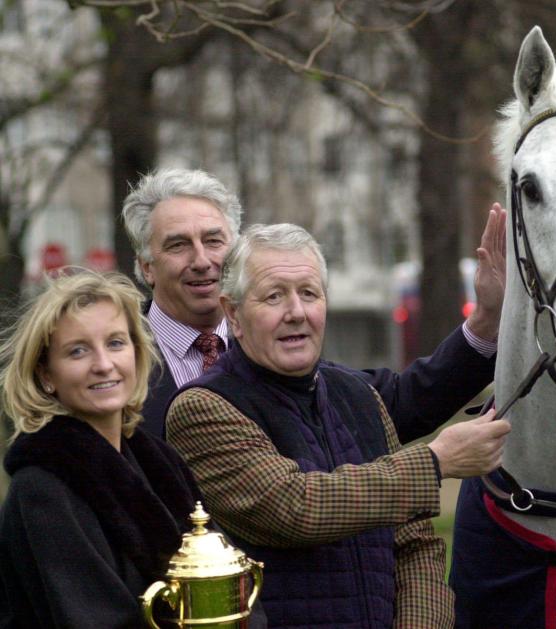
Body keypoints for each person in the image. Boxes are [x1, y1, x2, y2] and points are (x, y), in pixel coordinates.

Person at [165, 223, 511, 628]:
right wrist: (434, 462)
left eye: (309, 293)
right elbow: (295, 506)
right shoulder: (203, 407)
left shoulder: (359, 395)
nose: (296, 312)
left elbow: (416, 545)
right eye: (274, 296)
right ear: (233, 315)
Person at [122, 167, 507, 440]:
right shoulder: (113, 361)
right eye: (178, 245)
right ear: (146, 267)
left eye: (213, 240)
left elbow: (404, 402)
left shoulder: (279, 341)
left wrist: (487, 320)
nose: (202, 259)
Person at [0, 271, 209, 627]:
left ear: (136, 352)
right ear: (46, 375)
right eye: (77, 351)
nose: (103, 364)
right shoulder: (42, 488)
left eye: (115, 343)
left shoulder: (160, 461)